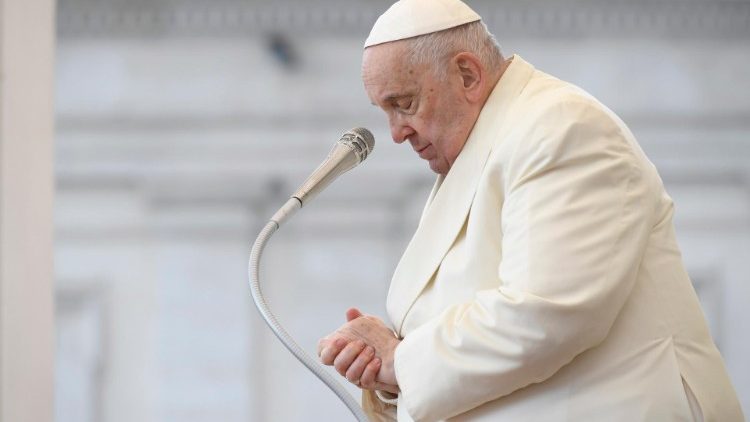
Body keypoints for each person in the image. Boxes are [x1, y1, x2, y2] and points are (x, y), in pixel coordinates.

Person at [317, 0, 745, 420]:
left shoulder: (561, 127)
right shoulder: (483, 146)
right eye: (385, 111)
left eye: (404, 103)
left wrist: (400, 361)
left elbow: (545, 312)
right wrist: (386, 368)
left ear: (467, 74)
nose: (395, 134)